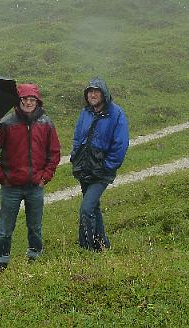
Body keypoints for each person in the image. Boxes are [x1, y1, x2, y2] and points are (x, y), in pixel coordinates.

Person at [0, 83, 61, 271]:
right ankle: (1, 262)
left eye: (32, 100)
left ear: (38, 102)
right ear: (18, 101)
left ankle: (35, 257)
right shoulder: (6, 124)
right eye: (25, 99)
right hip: (10, 186)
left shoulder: (46, 123)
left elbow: (54, 152)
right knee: (5, 229)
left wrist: (45, 177)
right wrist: (1, 177)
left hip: (35, 186)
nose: (29, 103)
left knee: (35, 227)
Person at [70, 77, 129, 251]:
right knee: (94, 207)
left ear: (104, 94)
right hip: (84, 168)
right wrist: (76, 155)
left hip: (101, 171)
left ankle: (87, 248)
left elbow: (121, 144)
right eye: (90, 91)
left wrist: (107, 166)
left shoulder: (116, 114)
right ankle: (102, 244)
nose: (93, 94)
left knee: (86, 209)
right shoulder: (85, 112)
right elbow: (77, 136)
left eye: (96, 91)